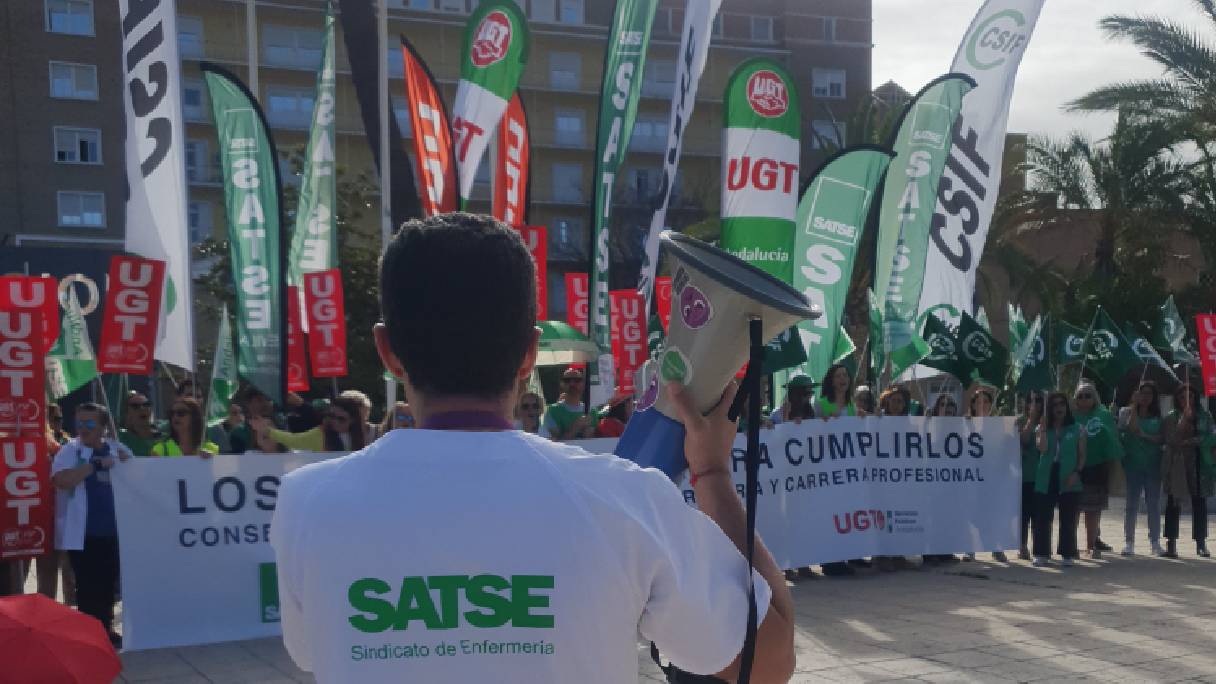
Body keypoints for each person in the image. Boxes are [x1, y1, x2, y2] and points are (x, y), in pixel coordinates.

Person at [271, 214, 795, 683]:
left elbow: (311, 652)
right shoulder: (626, 499)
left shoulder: (306, 503)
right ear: (530, 353)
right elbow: (769, 662)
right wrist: (712, 475)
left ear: (387, 351)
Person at [51, 403, 133, 648]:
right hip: (83, 532)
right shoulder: (69, 451)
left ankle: (106, 628)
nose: (83, 429)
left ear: (103, 426)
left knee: (109, 585)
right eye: (79, 423)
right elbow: (61, 480)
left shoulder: (118, 449)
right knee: (87, 586)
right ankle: (90, 634)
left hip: (114, 531)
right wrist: (93, 466)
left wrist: (128, 464)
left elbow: (141, 477)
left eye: (89, 423)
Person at [1032, 391, 1087, 568]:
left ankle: (1067, 553)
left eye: (1061, 404)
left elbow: (1082, 456)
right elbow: (1042, 448)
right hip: (1046, 474)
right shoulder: (1042, 428)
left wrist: (1076, 473)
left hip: (1069, 474)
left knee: (1068, 516)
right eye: (1054, 405)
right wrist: (1042, 428)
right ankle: (1041, 552)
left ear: (1067, 407)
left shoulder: (1078, 428)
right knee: (1042, 515)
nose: (1058, 408)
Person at [1161, 383, 1213, 558]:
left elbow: (1210, 436)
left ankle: (1200, 542)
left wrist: (1192, 441)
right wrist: (1183, 421)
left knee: (1199, 503)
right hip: (1178, 463)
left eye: (1190, 396)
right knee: (1173, 502)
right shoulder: (1171, 417)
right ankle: (1171, 543)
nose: (1186, 400)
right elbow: (1171, 439)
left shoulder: (1204, 416)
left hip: (1199, 463)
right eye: (1182, 397)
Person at [819, 363, 862, 576]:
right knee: (831, 513)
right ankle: (830, 561)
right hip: (829, 469)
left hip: (848, 470)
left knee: (846, 513)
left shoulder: (852, 406)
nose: (843, 379)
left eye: (845, 375)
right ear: (831, 380)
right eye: (838, 375)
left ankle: (845, 556)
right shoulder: (821, 404)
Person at [1072, 382, 1122, 559]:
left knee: (1093, 510)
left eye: (1088, 395)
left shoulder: (1103, 414)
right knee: (1073, 509)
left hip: (1097, 467)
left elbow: (1112, 439)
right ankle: (1071, 545)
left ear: (1095, 397)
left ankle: (1091, 545)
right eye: (1080, 395)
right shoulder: (1070, 415)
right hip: (1073, 468)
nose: (1084, 399)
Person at [1118, 381, 1165, 556]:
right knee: (1131, 504)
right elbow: (1129, 428)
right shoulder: (1126, 412)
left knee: (1153, 504)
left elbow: (1162, 438)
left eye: (1149, 394)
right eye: (1142, 393)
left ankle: (1155, 541)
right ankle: (1129, 541)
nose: (1145, 397)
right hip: (1133, 465)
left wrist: (1146, 436)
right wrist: (1134, 406)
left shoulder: (1159, 417)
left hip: (1153, 465)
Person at [964, 387, 1008, 563]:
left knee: (991, 514)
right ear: (973, 405)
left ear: (991, 405)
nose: (982, 405)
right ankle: (969, 549)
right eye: (978, 401)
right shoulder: (965, 423)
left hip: (991, 477)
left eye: (986, 401)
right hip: (970, 477)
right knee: (971, 514)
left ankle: (996, 547)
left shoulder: (999, 425)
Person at [924, 391, 963, 565]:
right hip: (932, 479)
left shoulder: (960, 427)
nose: (946, 408)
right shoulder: (928, 425)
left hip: (952, 480)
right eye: (942, 404)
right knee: (932, 516)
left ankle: (946, 550)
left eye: (950, 405)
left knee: (949, 515)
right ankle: (930, 552)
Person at [253, 396, 368, 453]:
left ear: (353, 420)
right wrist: (268, 431)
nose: (335, 422)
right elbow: (294, 440)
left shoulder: (367, 435)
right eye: (331, 416)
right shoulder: (320, 434)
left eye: (341, 419)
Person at [1016, 393, 1045, 560]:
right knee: (1024, 514)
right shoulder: (1020, 421)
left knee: (1039, 515)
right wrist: (1031, 420)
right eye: (1031, 400)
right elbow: (1024, 440)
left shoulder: (1047, 421)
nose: (1034, 404)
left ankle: (1038, 548)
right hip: (1025, 476)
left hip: (1041, 475)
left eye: (1038, 400)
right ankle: (1022, 546)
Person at [540, 367, 596, 440]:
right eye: (567, 380)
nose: (572, 384)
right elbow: (554, 444)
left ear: (583, 384)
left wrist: (591, 434)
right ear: (561, 384)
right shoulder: (552, 411)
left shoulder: (592, 411)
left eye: (577, 380)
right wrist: (575, 427)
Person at [150, 398, 217, 457]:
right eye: (172, 413)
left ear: (194, 417)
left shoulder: (211, 449)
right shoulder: (160, 450)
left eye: (181, 413)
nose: (175, 417)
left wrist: (212, 461)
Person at [118, 391, 161, 456]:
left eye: (146, 404)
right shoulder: (119, 438)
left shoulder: (165, 433)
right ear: (127, 414)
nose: (142, 408)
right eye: (135, 406)